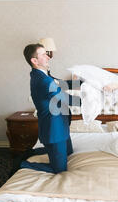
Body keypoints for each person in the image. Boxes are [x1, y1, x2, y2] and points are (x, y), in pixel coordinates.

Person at [12, 43, 81, 174]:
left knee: (69, 152)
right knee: (59, 169)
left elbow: (64, 84)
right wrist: (94, 101)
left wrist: (87, 83)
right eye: (44, 54)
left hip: (62, 124)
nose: (48, 57)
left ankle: (32, 152)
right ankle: (22, 164)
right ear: (34, 60)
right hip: (54, 130)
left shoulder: (43, 75)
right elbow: (66, 98)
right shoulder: (43, 81)